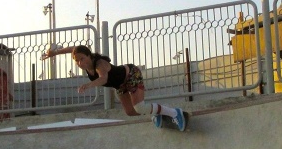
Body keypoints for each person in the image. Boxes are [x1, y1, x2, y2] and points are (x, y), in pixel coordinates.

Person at [42, 44, 186, 130]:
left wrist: (88, 85)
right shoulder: (83, 59)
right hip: (120, 85)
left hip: (131, 74)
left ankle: (174, 112)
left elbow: (103, 78)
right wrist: (55, 53)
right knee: (130, 112)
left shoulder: (99, 64)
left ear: (89, 56)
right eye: (77, 61)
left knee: (140, 107)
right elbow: (73, 49)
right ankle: (158, 111)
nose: (80, 63)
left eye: (82, 59)